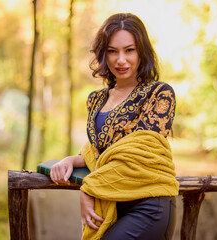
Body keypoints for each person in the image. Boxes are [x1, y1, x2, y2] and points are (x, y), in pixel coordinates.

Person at [50, 13, 179, 240]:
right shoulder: (96, 100)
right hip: (113, 205)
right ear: (103, 54)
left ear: (142, 52)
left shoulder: (159, 94)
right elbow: (102, 153)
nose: (121, 60)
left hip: (150, 205)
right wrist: (70, 160)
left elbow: (140, 155)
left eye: (129, 50)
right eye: (112, 51)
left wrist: (89, 188)